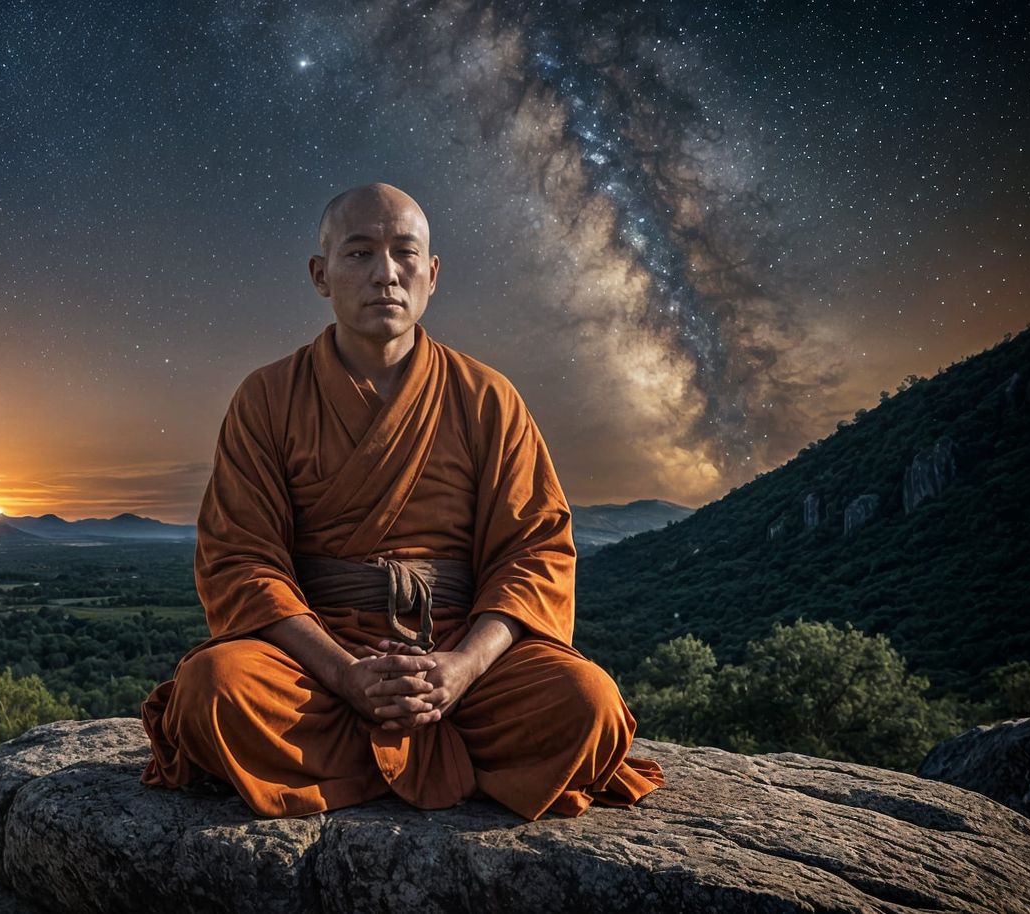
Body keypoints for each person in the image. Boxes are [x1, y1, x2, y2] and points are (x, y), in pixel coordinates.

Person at [140, 183, 665, 820]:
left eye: (404, 254)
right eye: (358, 254)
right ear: (320, 274)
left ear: (432, 273)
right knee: (212, 690)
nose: (385, 274)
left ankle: (348, 765)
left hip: (461, 656)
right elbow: (242, 560)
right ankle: (459, 767)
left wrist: (463, 668)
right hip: (316, 660)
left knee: (590, 704)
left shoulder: (487, 397)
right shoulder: (267, 398)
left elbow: (536, 554)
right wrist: (344, 675)